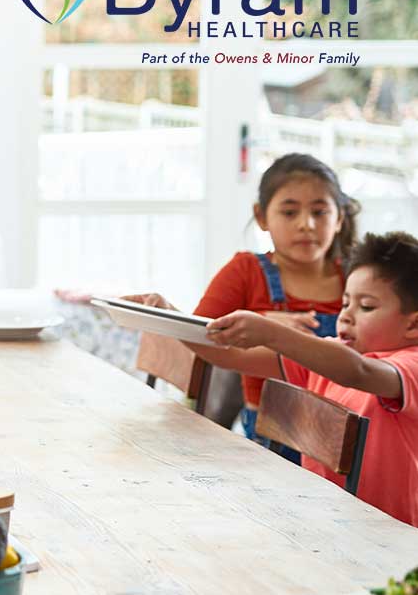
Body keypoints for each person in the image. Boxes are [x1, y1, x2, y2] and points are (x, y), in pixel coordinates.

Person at [133, 153, 356, 460]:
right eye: (290, 212)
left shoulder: (359, 279)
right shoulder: (246, 271)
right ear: (262, 216)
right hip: (271, 442)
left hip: (351, 441)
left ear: (340, 218)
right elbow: (204, 335)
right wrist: (260, 323)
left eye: (320, 212)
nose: (307, 224)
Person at [204, 232, 418, 527]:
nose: (346, 316)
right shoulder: (330, 355)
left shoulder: (409, 365)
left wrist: (272, 333)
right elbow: (227, 355)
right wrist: (166, 316)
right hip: (321, 521)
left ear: (414, 324)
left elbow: (358, 372)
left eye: (366, 306)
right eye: (345, 303)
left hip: (390, 537)